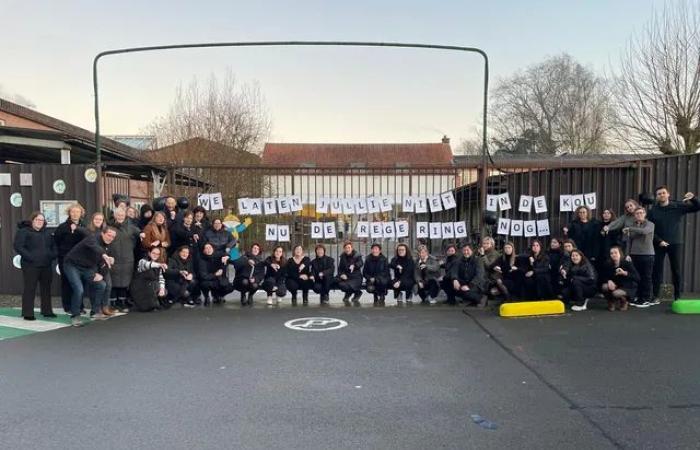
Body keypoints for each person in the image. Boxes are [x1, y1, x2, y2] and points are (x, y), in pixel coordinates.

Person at [647, 186, 700, 301]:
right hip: (659, 244)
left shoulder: (678, 206)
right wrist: (659, 241)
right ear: (656, 197)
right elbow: (650, 229)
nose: (661, 195)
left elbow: (697, 207)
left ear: (668, 194)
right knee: (657, 270)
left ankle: (677, 296)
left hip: (675, 243)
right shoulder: (653, 211)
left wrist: (694, 198)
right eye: (659, 194)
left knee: (676, 269)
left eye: (663, 193)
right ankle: (655, 295)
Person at [63, 227, 115, 326]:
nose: (110, 238)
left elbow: (104, 265)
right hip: (72, 265)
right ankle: (75, 316)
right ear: (102, 234)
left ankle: (95, 312)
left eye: (113, 237)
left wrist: (100, 274)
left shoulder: (108, 246)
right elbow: (96, 247)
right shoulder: (92, 238)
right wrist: (104, 255)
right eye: (109, 235)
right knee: (79, 289)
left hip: (87, 268)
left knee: (102, 285)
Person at [13, 212, 57, 320]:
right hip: (30, 265)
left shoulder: (47, 233)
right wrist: (31, 257)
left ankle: (47, 311)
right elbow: (18, 246)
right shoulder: (23, 232)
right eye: (37, 219)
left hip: (46, 264)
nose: (39, 222)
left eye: (41, 220)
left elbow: (54, 246)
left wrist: (52, 255)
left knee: (46, 288)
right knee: (30, 288)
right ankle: (28, 313)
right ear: (32, 220)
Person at [53, 203, 87, 313]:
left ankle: (79, 306)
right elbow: (56, 242)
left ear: (81, 213)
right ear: (69, 213)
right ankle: (67, 306)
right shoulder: (62, 227)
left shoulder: (84, 226)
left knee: (79, 283)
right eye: (73, 211)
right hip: (66, 259)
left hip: (81, 260)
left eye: (77, 212)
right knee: (67, 283)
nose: (75, 214)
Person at [107, 207, 141, 313]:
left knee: (125, 281)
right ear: (115, 215)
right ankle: (113, 303)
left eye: (122, 215)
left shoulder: (131, 227)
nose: (120, 217)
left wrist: (142, 234)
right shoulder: (109, 227)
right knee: (113, 281)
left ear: (125, 215)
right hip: (113, 257)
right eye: (118, 215)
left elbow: (140, 234)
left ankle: (122, 302)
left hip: (127, 258)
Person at [624, 207, 655, 307]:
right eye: (637, 213)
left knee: (646, 277)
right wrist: (627, 253)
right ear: (634, 215)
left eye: (641, 213)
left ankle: (646, 299)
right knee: (636, 277)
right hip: (634, 254)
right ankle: (638, 296)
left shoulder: (650, 224)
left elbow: (644, 231)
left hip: (647, 254)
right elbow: (629, 241)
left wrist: (630, 228)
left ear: (645, 214)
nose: (639, 215)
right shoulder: (631, 225)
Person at [600, 246, 640, 311]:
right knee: (604, 286)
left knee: (616, 293)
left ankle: (624, 301)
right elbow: (602, 276)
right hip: (615, 285)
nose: (613, 255)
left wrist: (625, 273)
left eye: (615, 253)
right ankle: (611, 302)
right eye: (611, 253)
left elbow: (637, 277)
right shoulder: (608, 264)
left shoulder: (627, 263)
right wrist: (608, 281)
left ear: (620, 254)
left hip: (628, 286)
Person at [131, 246, 168, 312]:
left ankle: (156, 303)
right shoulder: (142, 261)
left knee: (164, 290)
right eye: (153, 253)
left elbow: (161, 278)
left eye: (157, 254)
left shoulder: (158, 264)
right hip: (140, 289)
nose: (155, 255)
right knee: (154, 284)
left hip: (151, 288)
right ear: (149, 253)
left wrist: (162, 289)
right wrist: (159, 265)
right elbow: (148, 265)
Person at [336, 241, 364, 306]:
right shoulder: (343, 256)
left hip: (356, 277)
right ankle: (350, 292)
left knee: (347, 285)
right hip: (347, 276)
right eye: (346, 248)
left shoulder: (357, 255)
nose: (347, 249)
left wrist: (354, 265)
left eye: (349, 247)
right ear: (344, 249)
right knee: (340, 284)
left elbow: (361, 263)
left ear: (352, 248)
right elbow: (340, 268)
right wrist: (342, 274)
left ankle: (357, 293)